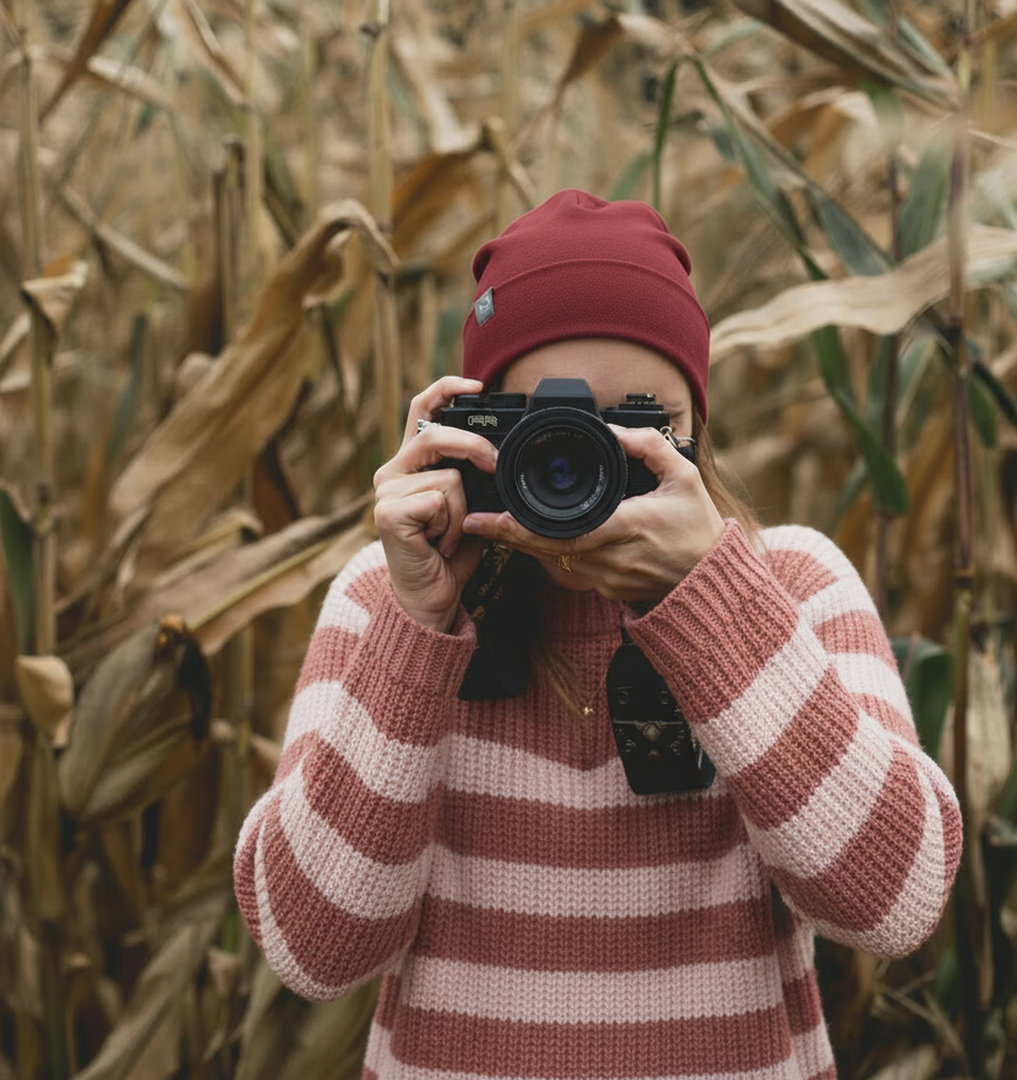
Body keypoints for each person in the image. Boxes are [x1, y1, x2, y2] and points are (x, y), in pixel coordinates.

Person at [234, 189, 962, 1080]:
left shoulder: (793, 588)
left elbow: (894, 903)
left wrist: (711, 605)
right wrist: (417, 624)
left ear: (697, 433)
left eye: (635, 425)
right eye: (550, 427)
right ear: (471, 425)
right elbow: (315, 950)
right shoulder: (384, 600)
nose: (585, 463)